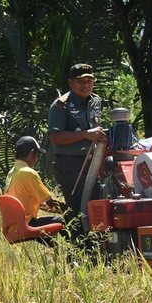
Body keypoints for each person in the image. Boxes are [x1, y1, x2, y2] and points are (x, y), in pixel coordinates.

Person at [48, 63, 107, 247]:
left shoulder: (95, 101)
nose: (86, 85)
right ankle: (81, 250)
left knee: (97, 205)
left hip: (93, 162)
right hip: (69, 164)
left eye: (90, 81)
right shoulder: (61, 105)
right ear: (71, 83)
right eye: (82, 81)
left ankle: (100, 247)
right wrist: (84, 134)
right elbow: (55, 137)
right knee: (77, 209)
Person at [4, 136, 67, 247]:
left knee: (52, 243)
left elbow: (33, 202)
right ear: (32, 153)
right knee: (63, 221)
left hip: (12, 227)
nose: (37, 159)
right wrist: (68, 210)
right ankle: (78, 252)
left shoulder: (12, 172)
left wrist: (45, 206)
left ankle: (59, 256)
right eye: (37, 155)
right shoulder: (28, 173)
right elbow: (50, 202)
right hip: (27, 224)